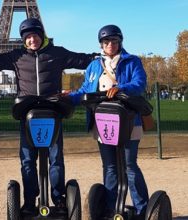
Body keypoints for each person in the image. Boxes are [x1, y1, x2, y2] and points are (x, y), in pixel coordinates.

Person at [0, 18, 98, 215]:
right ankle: (30, 199)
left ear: (41, 35)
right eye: (28, 37)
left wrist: (99, 56)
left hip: (52, 111)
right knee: (28, 159)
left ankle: (58, 197)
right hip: (28, 113)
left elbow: (81, 59)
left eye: (35, 36)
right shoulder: (16, 56)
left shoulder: (57, 53)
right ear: (23, 39)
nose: (32, 40)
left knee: (56, 158)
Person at [69, 24, 149, 219]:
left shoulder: (131, 61)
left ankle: (141, 210)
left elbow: (140, 83)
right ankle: (111, 208)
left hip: (129, 120)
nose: (110, 44)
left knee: (130, 165)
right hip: (103, 121)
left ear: (120, 42)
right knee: (110, 166)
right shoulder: (94, 66)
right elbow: (84, 90)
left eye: (114, 41)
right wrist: (67, 97)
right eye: (106, 41)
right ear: (101, 45)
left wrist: (122, 89)